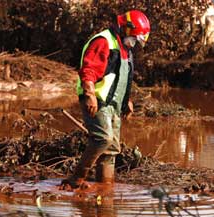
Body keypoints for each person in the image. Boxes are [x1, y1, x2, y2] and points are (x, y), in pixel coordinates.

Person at [61, 10, 150, 189]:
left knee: (111, 150)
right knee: (103, 139)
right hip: (98, 102)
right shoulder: (103, 41)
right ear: (126, 28)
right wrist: (90, 96)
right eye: (134, 38)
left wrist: (127, 101)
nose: (134, 43)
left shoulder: (125, 48)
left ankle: (105, 187)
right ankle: (76, 179)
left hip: (114, 105)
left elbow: (121, 77)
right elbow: (88, 71)